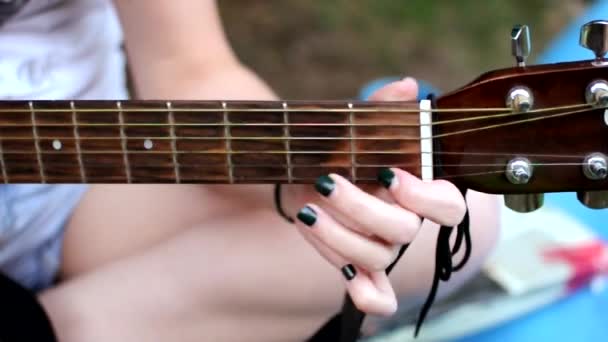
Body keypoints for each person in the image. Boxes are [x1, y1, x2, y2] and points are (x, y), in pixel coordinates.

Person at [0, 1, 500, 341]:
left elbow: (188, 66)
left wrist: (301, 177)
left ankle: (66, 322)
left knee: (456, 216)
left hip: (74, 191)